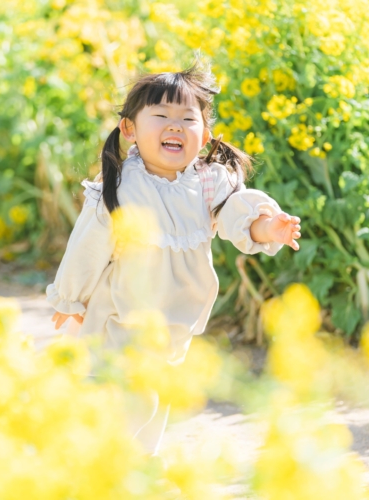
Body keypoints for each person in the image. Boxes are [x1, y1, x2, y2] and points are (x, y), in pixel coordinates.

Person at [45, 60, 302, 455]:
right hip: (123, 317)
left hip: (175, 322)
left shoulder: (208, 182)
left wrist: (267, 227)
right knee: (135, 398)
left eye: (188, 118)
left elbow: (236, 214)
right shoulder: (121, 186)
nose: (175, 126)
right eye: (161, 115)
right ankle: (90, 465)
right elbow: (88, 244)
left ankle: (133, 474)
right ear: (129, 129)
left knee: (157, 401)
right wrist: (69, 297)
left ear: (206, 133)